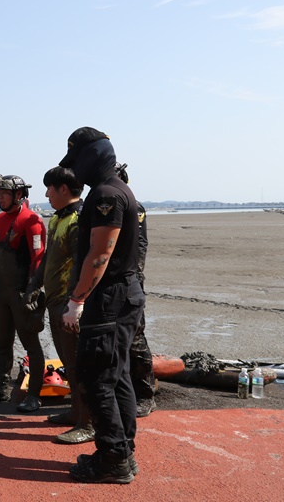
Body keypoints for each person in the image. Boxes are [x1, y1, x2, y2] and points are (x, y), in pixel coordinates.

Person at [59, 127, 145, 484]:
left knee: (96, 378)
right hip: (122, 294)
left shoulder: (106, 194)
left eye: (77, 160)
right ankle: (122, 451)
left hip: (109, 297)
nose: (73, 169)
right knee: (117, 375)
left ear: (92, 157)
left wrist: (76, 300)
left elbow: (100, 255)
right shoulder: (115, 189)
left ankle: (113, 459)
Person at [24, 166, 94, 443]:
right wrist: (34, 284)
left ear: (63, 189)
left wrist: (74, 301)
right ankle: (75, 411)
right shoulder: (57, 219)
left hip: (68, 302)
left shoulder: (78, 219)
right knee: (67, 360)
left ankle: (88, 423)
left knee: (77, 363)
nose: (46, 194)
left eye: (50, 189)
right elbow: (48, 257)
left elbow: (81, 263)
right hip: (54, 301)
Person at [0, 174, 46, 412]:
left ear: (19, 194)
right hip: (2, 294)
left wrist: (32, 291)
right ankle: (1, 388)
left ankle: (34, 395)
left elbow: (38, 259)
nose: (0, 198)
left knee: (31, 344)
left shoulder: (32, 220)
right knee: (2, 343)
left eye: (4, 194)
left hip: (22, 294)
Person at [115, 162, 156, 418]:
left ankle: (145, 395)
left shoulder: (134, 208)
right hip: (110, 282)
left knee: (135, 340)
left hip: (129, 281)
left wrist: (133, 278)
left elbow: (139, 247)